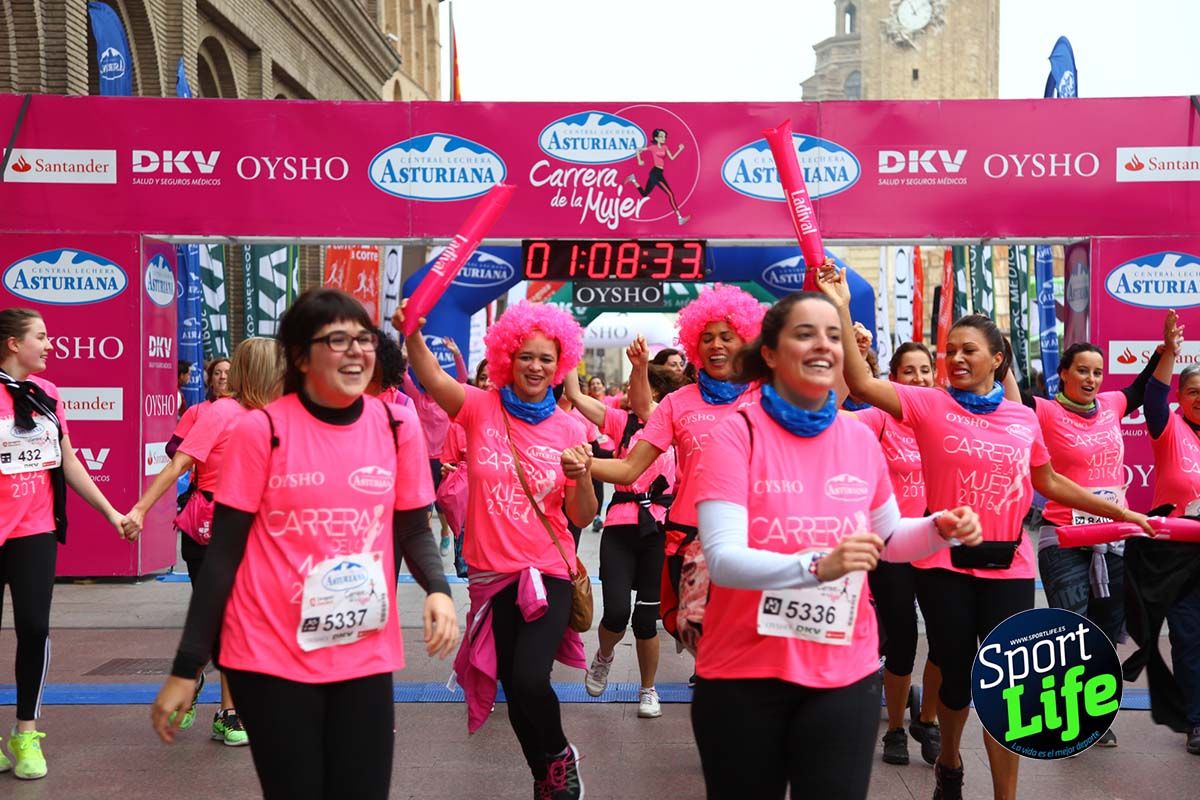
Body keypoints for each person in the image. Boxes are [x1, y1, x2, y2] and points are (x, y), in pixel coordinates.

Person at [817, 264, 1152, 800]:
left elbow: (1050, 481)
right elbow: (858, 384)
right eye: (950, 350)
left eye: (969, 349)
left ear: (997, 359)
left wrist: (1121, 514)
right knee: (955, 677)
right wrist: (839, 306)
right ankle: (950, 759)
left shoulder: (1022, 418)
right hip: (943, 564)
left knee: (1008, 689)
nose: (955, 358)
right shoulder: (928, 403)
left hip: (1010, 566)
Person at [151, 288, 458, 800]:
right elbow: (224, 555)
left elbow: (412, 528)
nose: (356, 351)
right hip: (269, 654)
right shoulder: (261, 430)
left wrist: (439, 589)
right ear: (299, 355)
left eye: (363, 338)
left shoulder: (396, 423)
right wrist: (187, 667)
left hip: (362, 650)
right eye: (336, 340)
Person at [688, 292, 982, 800]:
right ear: (771, 354)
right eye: (805, 333)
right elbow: (724, 560)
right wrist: (820, 565)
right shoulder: (735, 435)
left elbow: (889, 540)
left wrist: (939, 528)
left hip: (844, 672)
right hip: (743, 673)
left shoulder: (858, 440)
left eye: (832, 335)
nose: (824, 345)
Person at [401, 299, 595, 800]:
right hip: (490, 576)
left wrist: (581, 478)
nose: (535, 366)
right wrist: (414, 335)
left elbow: (580, 517)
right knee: (512, 683)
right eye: (526, 356)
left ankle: (558, 757)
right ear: (508, 357)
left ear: (561, 366)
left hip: (546, 571)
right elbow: (432, 380)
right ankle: (545, 773)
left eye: (546, 359)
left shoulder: (572, 429)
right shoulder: (479, 406)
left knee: (530, 679)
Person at [1010, 321, 1167, 749]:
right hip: (1063, 537)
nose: (1091, 379)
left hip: (1113, 536)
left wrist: (1166, 349)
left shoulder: (1114, 405)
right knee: (1070, 630)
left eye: (1097, 372)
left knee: (1105, 628)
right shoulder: (1042, 410)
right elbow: (1009, 396)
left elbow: (1143, 386)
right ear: (1064, 373)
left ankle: (1093, 714)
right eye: (1082, 370)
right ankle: (1066, 714)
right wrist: (1000, 356)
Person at [592, 285, 764, 659]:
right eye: (706, 338)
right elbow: (627, 468)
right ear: (694, 346)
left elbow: (834, 394)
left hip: (755, 536)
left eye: (726, 336)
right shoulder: (677, 402)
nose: (716, 345)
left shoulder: (766, 396)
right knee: (705, 645)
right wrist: (582, 463)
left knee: (749, 643)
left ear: (746, 341)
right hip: (690, 540)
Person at [126, 337, 284, 746]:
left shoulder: (276, 416)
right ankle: (228, 712)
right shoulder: (220, 412)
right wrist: (141, 509)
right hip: (210, 530)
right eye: (281, 366)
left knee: (241, 621)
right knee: (228, 620)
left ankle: (197, 678)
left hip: (255, 533)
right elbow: (180, 463)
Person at [0, 308, 130, 780]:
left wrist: (112, 512)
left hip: (34, 529)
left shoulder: (48, 394)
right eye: (42, 336)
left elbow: (68, 462)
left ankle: (26, 731)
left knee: (34, 627)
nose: (51, 344)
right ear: (14, 344)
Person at [567, 350, 680, 719]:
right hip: (620, 527)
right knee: (615, 613)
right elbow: (578, 397)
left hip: (658, 532)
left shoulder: (674, 423)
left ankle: (648, 689)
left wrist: (641, 365)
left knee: (646, 621)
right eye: (633, 384)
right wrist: (565, 353)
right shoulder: (619, 421)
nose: (634, 392)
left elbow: (648, 403)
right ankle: (603, 655)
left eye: (642, 385)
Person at [853, 342, 944, 766]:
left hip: (938, 546)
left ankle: (927, 720)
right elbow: (833, 426)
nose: (920, 379)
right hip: (891, 546)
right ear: (893, 378)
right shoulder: (879, 417)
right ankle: (894, 731)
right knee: (903, 640)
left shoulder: (945, 416)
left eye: (926, 371)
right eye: (909, 371)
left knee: (947, 639)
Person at [1137, 309, 1200, 754]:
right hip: (1179, 554)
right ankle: (1197, 721)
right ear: (1182, 396)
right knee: (1188, 635)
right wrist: (1169, 354)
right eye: (1194, 392)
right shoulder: (1168, 426)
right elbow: (1154, 395)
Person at [403, 336, 468, 555]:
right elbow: (403, 376)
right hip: (423, 457)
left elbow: (463, 378)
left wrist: (456, 354)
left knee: (442, 502)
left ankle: (445, 533)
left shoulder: (448, 398)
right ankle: (428, 542)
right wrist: (405, 357)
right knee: (425, 503)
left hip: (444, 458)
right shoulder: (418, 398)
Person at [625, 127, 690, 225]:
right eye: (661, 136)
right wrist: (639, 160)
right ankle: (679, 218)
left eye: (664, 136)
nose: (664, 138)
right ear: (656, 138)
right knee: (670, 194)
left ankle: (633, 179)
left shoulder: (665, 147)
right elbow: (638, 149)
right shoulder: (652, 147)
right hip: (655, 173)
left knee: (644, 194)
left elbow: (672, 158)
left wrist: (679, 150)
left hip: (658, 173)